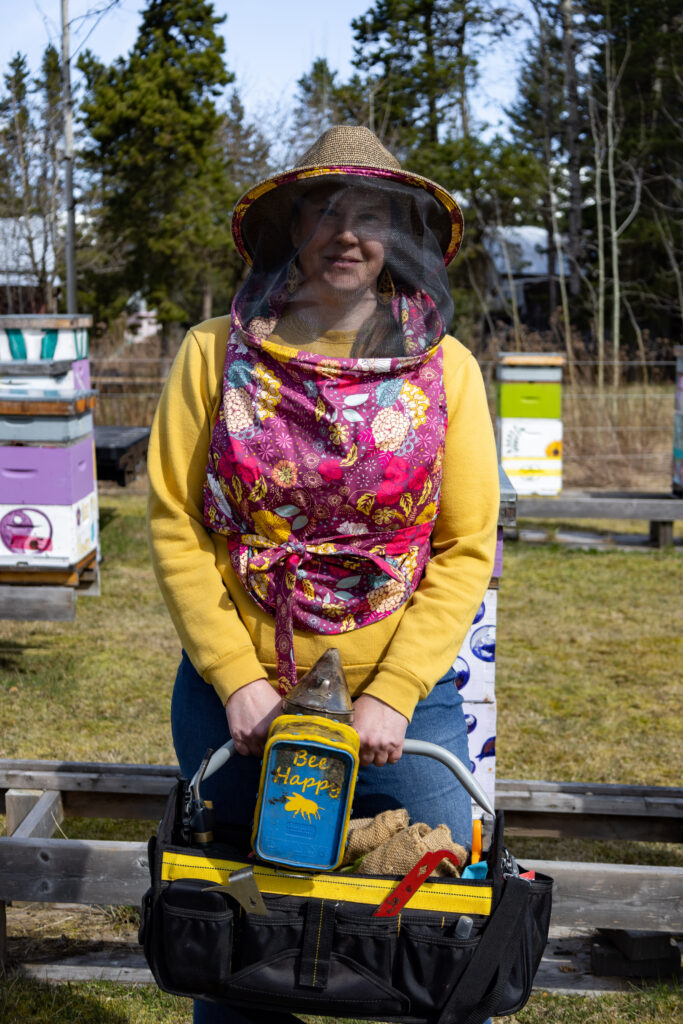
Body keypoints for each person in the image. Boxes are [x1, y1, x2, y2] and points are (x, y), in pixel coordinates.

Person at [147, 125, 499, 1024]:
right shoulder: (208, 354)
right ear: (291, 226)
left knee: (430, 937)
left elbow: (464, 547)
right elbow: (178, 527)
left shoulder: (446, 370)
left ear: (400, 233)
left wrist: (395, 689)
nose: (348, 233)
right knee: (237, 944)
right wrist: (235, 679)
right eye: (327, 210)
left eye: (371, 213)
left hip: (402, 705)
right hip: (244, 700)